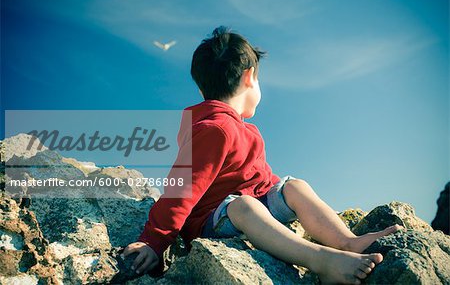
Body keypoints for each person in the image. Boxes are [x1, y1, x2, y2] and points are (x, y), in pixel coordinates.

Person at [122, 26, 402, 284]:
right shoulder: (214, 130)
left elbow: (262, 180)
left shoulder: (247, 131)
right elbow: (181, 190)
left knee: (294, 185)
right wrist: (154, 241)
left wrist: (283, 196)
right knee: (245, 206)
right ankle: (322, 261)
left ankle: (347, 242)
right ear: (250, 77)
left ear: (201, 88)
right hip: (213, 219)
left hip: (253, 209)